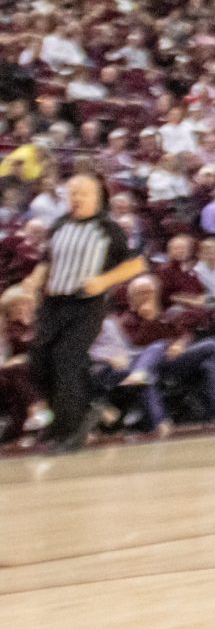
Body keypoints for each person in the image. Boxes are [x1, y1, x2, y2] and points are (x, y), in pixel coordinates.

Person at [7, 170, 145, 451]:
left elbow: (136, 265)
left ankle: (70, 430)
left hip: (85, 304)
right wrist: (34, 281)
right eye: (72, 194)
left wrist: (104, 281)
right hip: (53, 302)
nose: (76, 199)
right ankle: (79, 412)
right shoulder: (59, 224)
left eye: (82, 193)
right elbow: (47, 260)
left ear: (95, 196)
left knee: (66, 360)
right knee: (38, 362)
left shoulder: (108, 228)